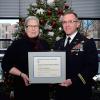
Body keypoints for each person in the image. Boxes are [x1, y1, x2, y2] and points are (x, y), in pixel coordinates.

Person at [1, 16, 50, 100]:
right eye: (30, 26)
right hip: (23, 89)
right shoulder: (17, 44)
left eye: (36, 26)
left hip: (42, 90)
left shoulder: (45, 44)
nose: (33, 29)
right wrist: (21, 74)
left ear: (39, 28)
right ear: (25, 28)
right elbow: (5, 64)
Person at [53, 11, 98, 100]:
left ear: (77, 24)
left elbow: (92, 68)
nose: (67, 25)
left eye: (70, 21)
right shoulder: (58, 43)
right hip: (60, 92)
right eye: (64, 22)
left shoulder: (87, 42)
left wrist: (73, 81)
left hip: (79, 92)